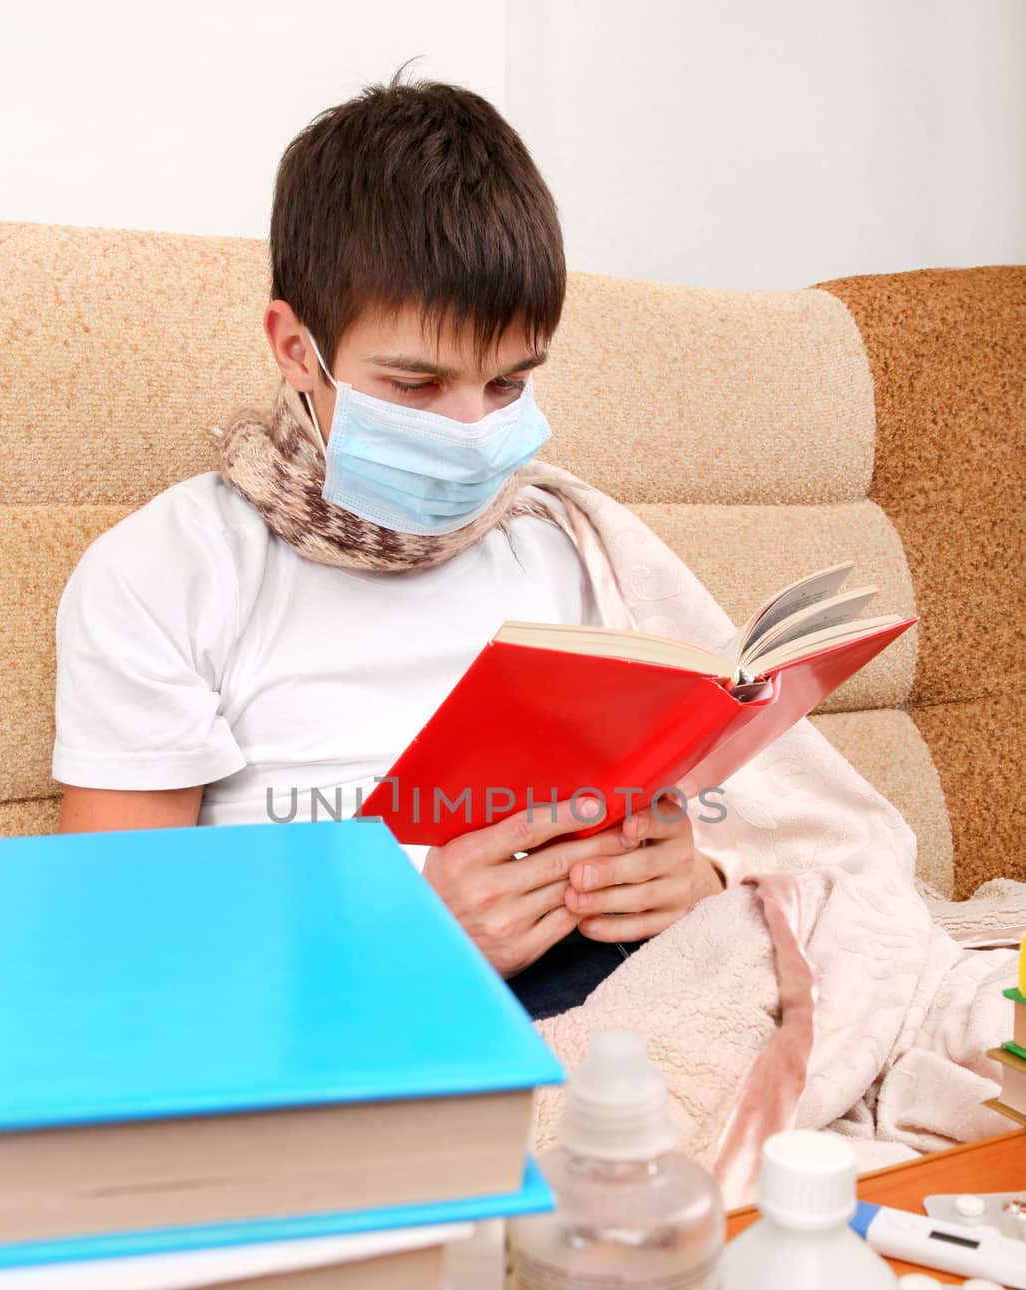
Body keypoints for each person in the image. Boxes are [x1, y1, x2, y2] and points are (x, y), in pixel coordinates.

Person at [52, 65, 727, 1021]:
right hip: (335, 1002)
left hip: (630, 983)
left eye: (505, 387)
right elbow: (118, 929)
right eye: (415, 387)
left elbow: (679, 804)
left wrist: (691, 878)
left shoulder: (562, 544)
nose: (469, 431)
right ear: (295, 347)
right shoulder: (170, 567)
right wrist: (408, 936)